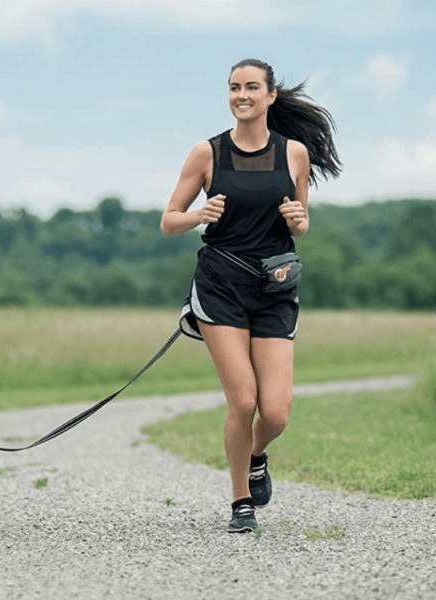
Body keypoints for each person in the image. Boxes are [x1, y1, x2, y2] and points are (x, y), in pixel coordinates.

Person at [160, 58, 341, 533]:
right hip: (220, 285)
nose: (242, 95)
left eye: (252, 87)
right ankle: (241, 501)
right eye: (234, 87)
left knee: (276, 413)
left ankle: (257, 454)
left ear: (270, 95)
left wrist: (300, 222)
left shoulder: (294, 154)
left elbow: (298, 220)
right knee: (243, 401)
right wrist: (199, 215)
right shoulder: (208, 153)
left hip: (273, 289)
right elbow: (168, 221)